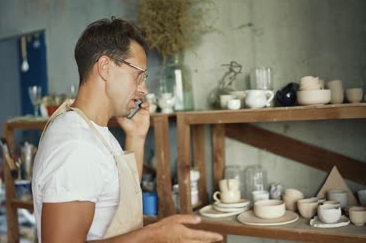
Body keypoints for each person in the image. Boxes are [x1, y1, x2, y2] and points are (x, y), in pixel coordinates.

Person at [32, 17, 223, 243]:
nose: (143, 89)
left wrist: (136, 136)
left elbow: (118, 202)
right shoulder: (76, 146)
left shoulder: (91, 130)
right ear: (105, 67)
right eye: (138, 75)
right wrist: (154, 235)